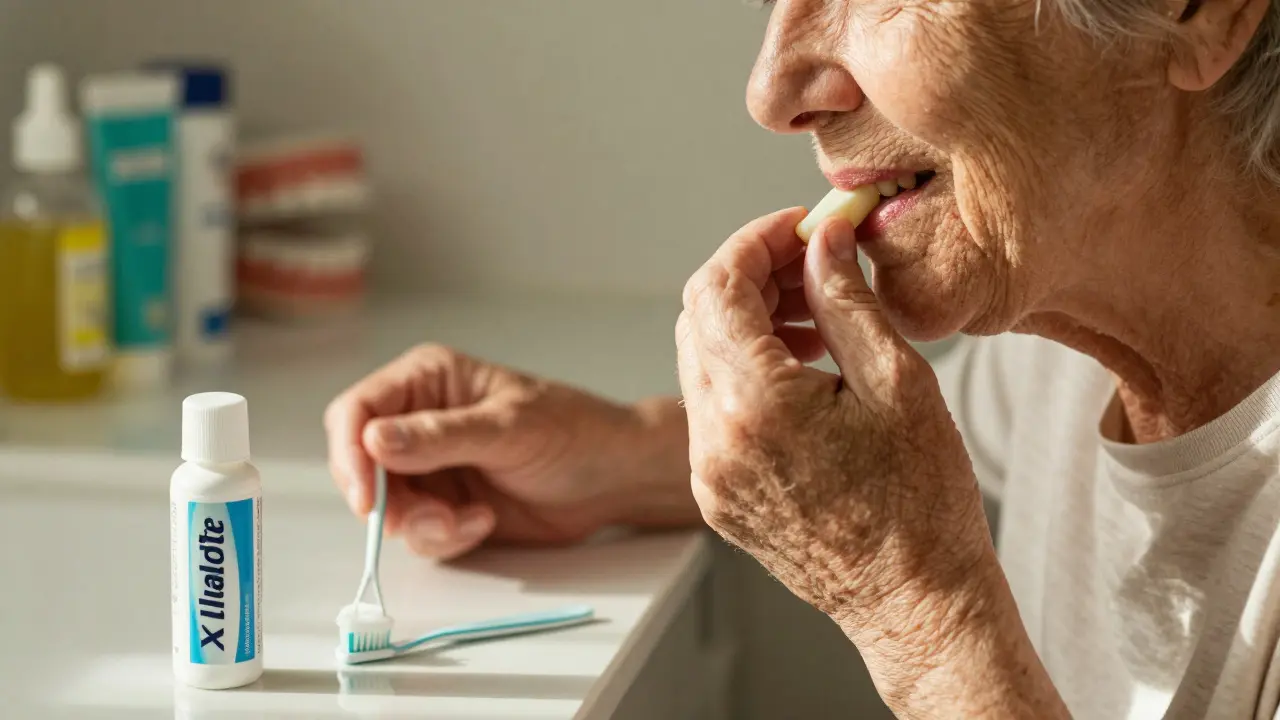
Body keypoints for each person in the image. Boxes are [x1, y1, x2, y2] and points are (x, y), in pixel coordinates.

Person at [325, 0, 1280, 715]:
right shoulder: (1070, 329)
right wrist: (625, 452)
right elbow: (929, 456)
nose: (773, 91)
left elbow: (909, 533)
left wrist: (921, 613)